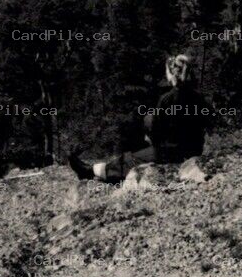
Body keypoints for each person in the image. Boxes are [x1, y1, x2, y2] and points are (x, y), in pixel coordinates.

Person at [69, 53, 211, 183]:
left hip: (169, 154)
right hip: (193, 152)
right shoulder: (200, 98)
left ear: (171, 74)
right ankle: (98, 171)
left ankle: (92, 171)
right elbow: (208, 123)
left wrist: (150, 134)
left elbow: (155, 131)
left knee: (130, 159)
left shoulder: (167, 99)